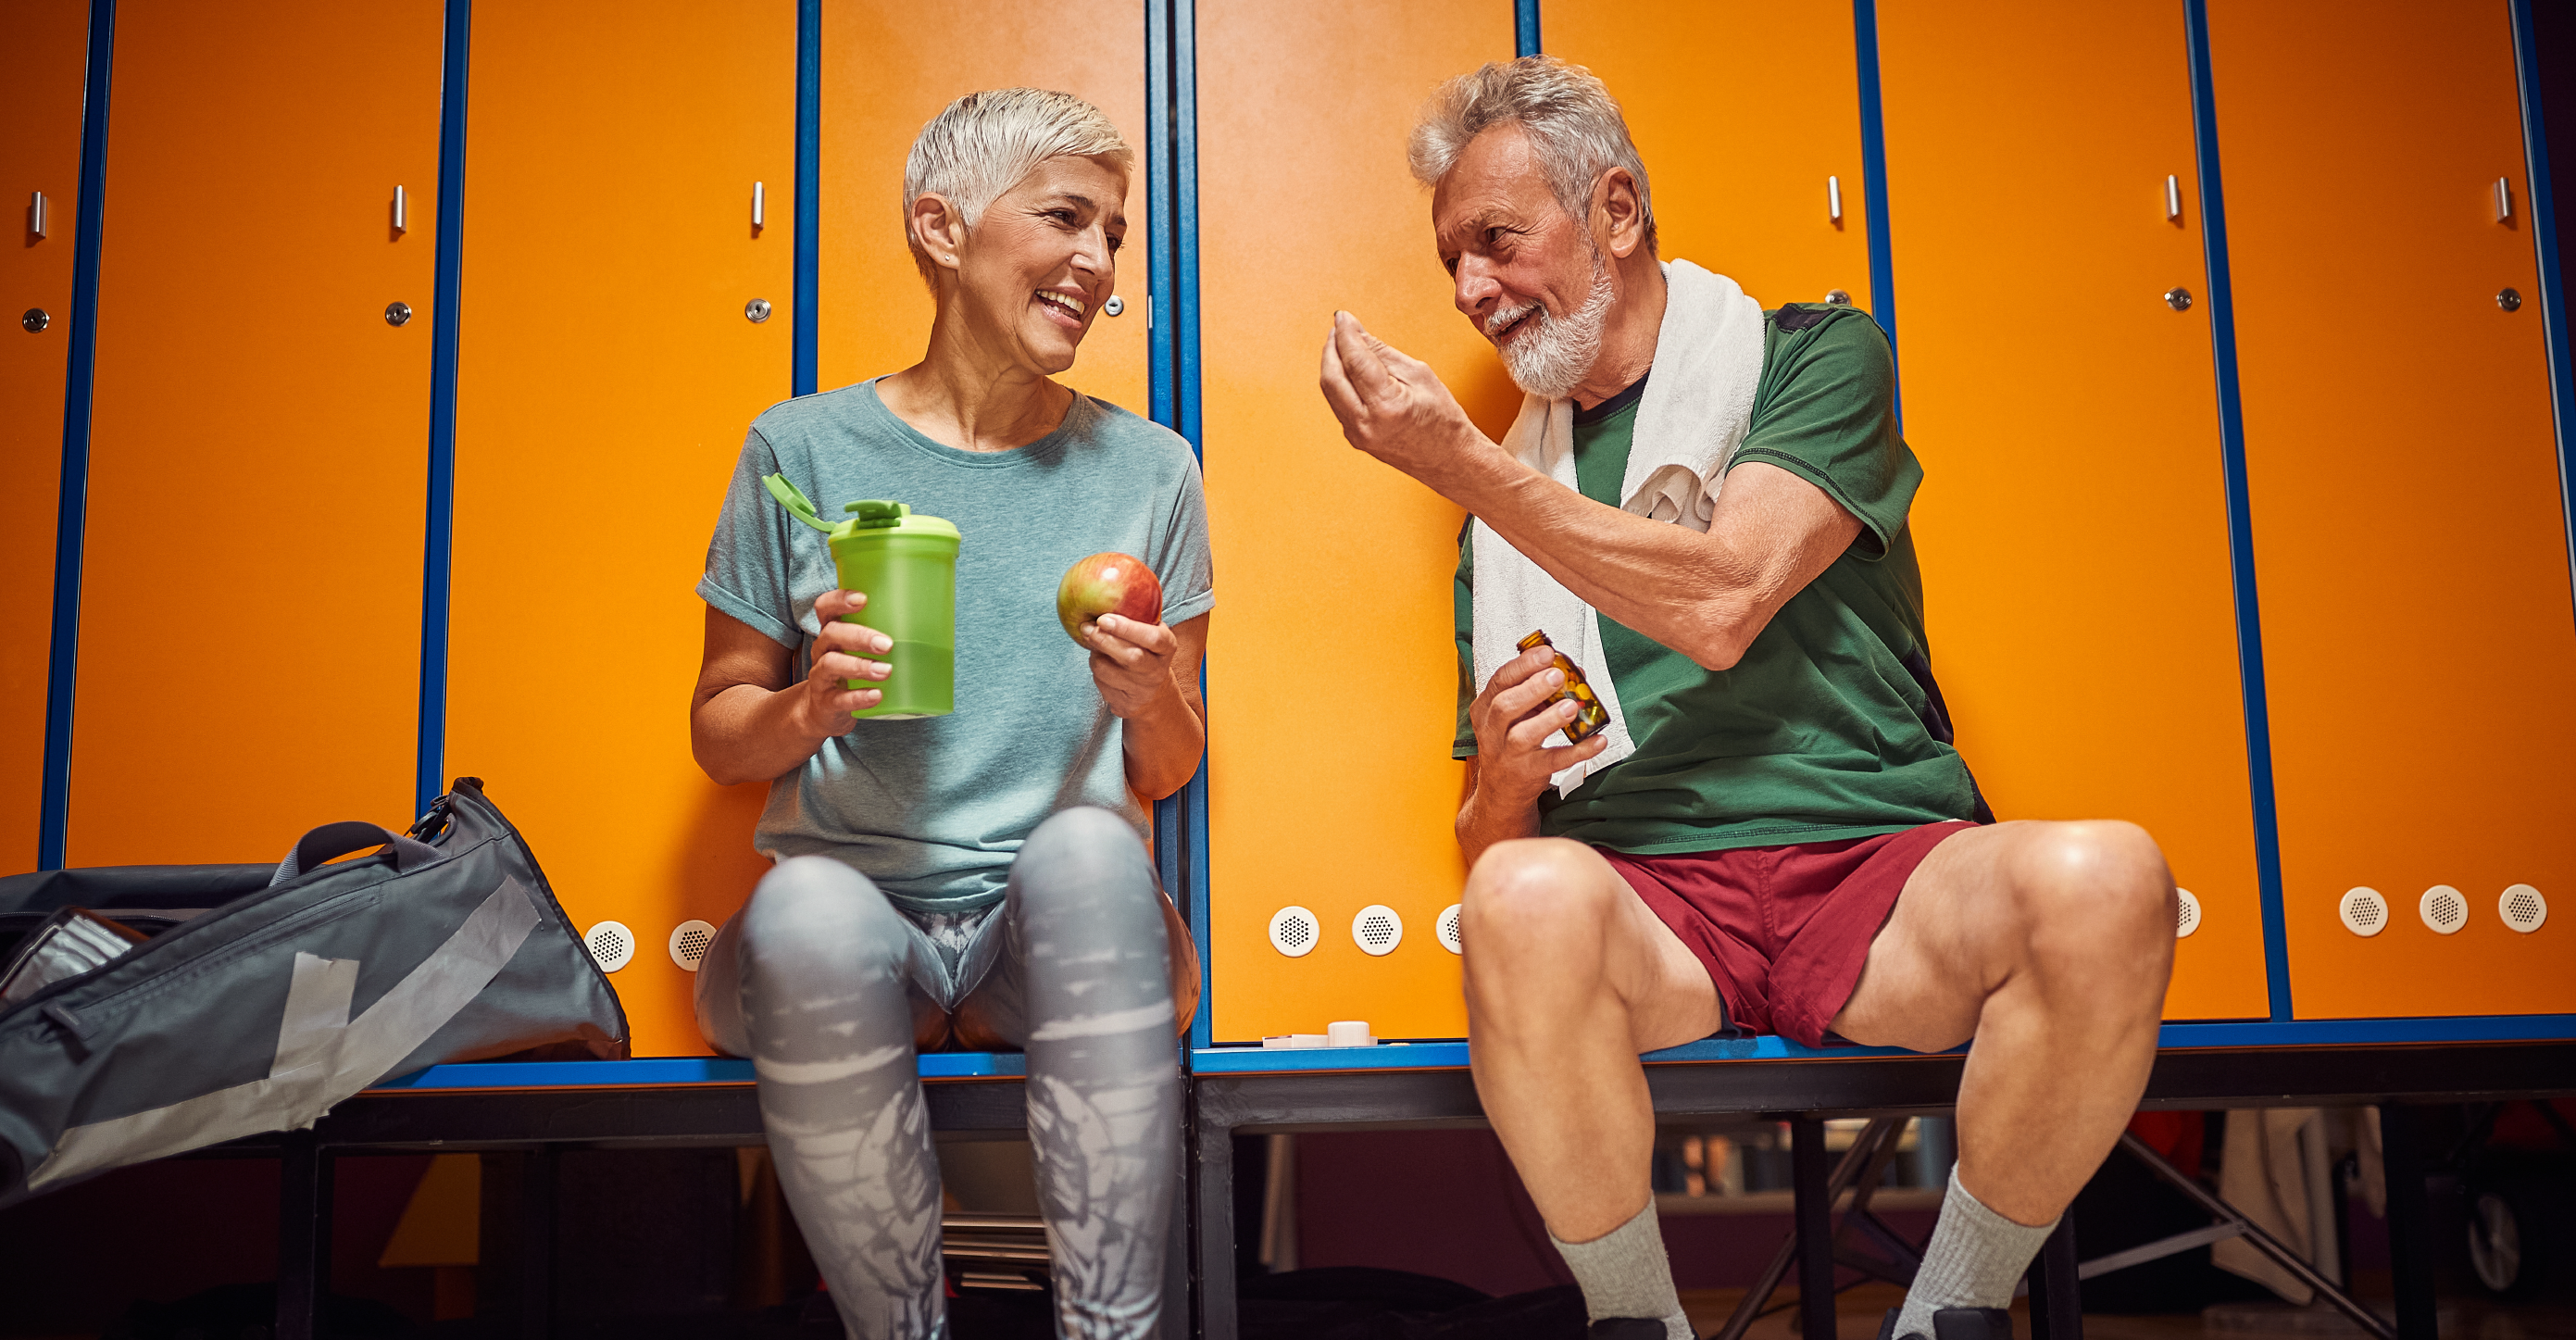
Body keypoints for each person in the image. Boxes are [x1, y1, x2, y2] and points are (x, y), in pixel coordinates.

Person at [1318, 57, 2175, 1340]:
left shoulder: (1811, 360)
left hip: (1879, 872)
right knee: (1515, 892)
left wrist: (1468, 470)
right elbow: (1493, 856)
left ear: (1614, 210)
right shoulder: (1506, 512)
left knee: (2109, 875)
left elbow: (1724, 601)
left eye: (1495, 240)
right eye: (1452, 261)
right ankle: (1637, 1323)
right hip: (1654, 906)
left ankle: (1947, 1312)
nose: (1469, 291)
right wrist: (1501, 779)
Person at [688, 88, 1210, 1340]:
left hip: (1057, 939)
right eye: (1066, 218)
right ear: (941, 226)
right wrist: (809, 703)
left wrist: (1154, 696)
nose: (1098, 262)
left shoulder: (1149, 469)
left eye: (1115, 236)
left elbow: (1173, 764)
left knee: (1091, 844)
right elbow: (717, 727)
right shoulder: (796, 452)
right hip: (843, 934)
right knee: (808, 898)